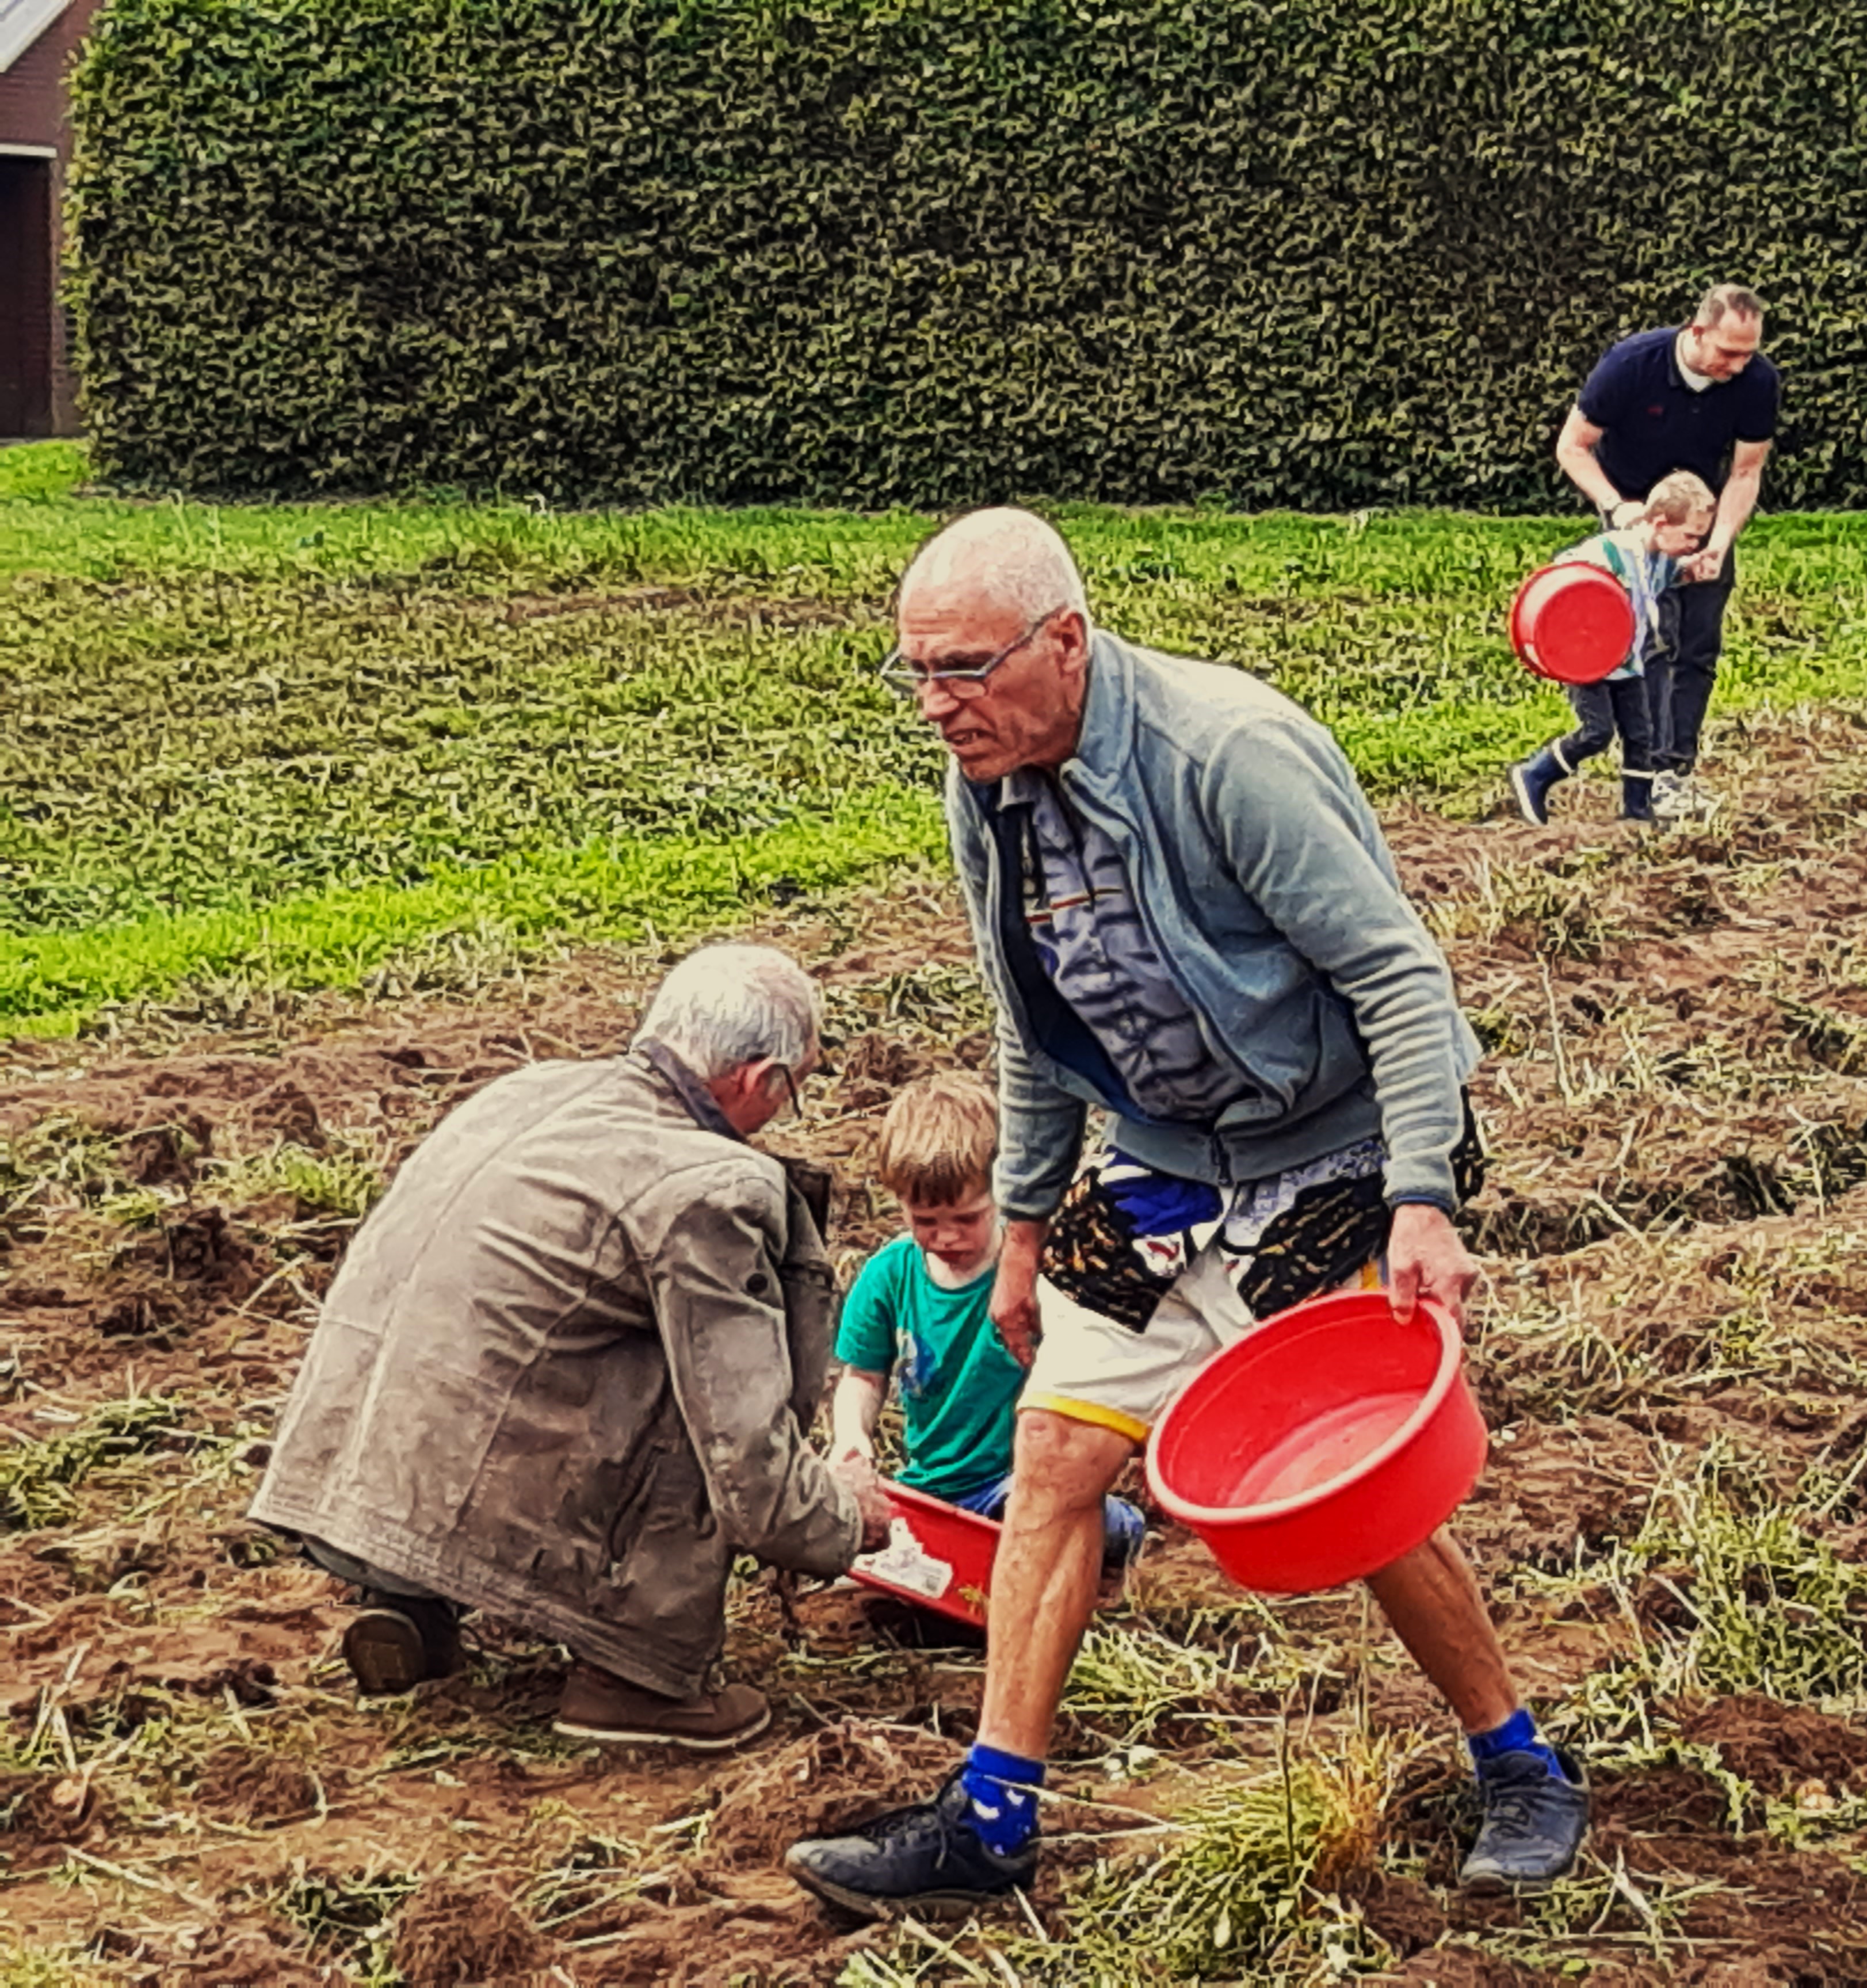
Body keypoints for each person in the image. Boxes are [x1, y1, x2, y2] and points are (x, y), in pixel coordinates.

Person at [782, 509, 1589, 1917]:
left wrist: (1422, 1199)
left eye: (962, 668)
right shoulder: (990, 787)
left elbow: (1403, 982)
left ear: (1067, 642)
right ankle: (994, 1814)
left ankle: (1521, 1763)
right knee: (1052, 1453)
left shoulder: (1227, 755)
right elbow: (1031, 1027)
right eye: (913, 672)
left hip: (1333, 1146)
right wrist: (1024, 1226)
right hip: (1165, 1155)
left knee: (1342, 1477)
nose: (933, 706)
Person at [250, 945, 903, 1751]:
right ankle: (634, 1678)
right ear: (761, 1079)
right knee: (691, 1377)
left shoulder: (524, 1092)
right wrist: (840, 1513)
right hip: (492, 1461)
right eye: (792, 1089)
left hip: (363, 1476)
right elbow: (743, 1446)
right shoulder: (710, 1188)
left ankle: (407, 1591)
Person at [825, 1071, 1143, 1573]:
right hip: (928, 1485)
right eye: (926, 1222)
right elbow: (862, 1377)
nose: (946, 1238)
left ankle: (1118, 1528)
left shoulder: (1031, 1272)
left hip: (1015, 1479)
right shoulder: (889, 1276)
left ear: (1003, 1194)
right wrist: (851, 1440)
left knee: (1047, 1518)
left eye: (967, 1219)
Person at [1553, 284, 1782, 819]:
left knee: (1697, 647)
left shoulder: (1757, 381)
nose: (1739, 364)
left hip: (1700, 518)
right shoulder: (1632, 364)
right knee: (1652, 642)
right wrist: (1618, 507)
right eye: (1728, 352)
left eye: (1749, 353)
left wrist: (1719, 543)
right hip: (1634, 517)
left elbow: (1746, 471)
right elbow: (1573, 446)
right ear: (1696, 332)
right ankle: (1647, 773)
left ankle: (1675, 772)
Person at [1509, 469, 1716, 825]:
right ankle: (1535, 774)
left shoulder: (1658, 558)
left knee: (1641, 737)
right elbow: (1564, 576)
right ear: (1661, 523)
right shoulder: (1612, 551)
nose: (1694, 545)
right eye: (1691, 536)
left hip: (1629, 661)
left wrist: (1688, 572)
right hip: (1589, 660)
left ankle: (1637, 813)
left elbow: (1663, 579)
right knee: (1597, 732)